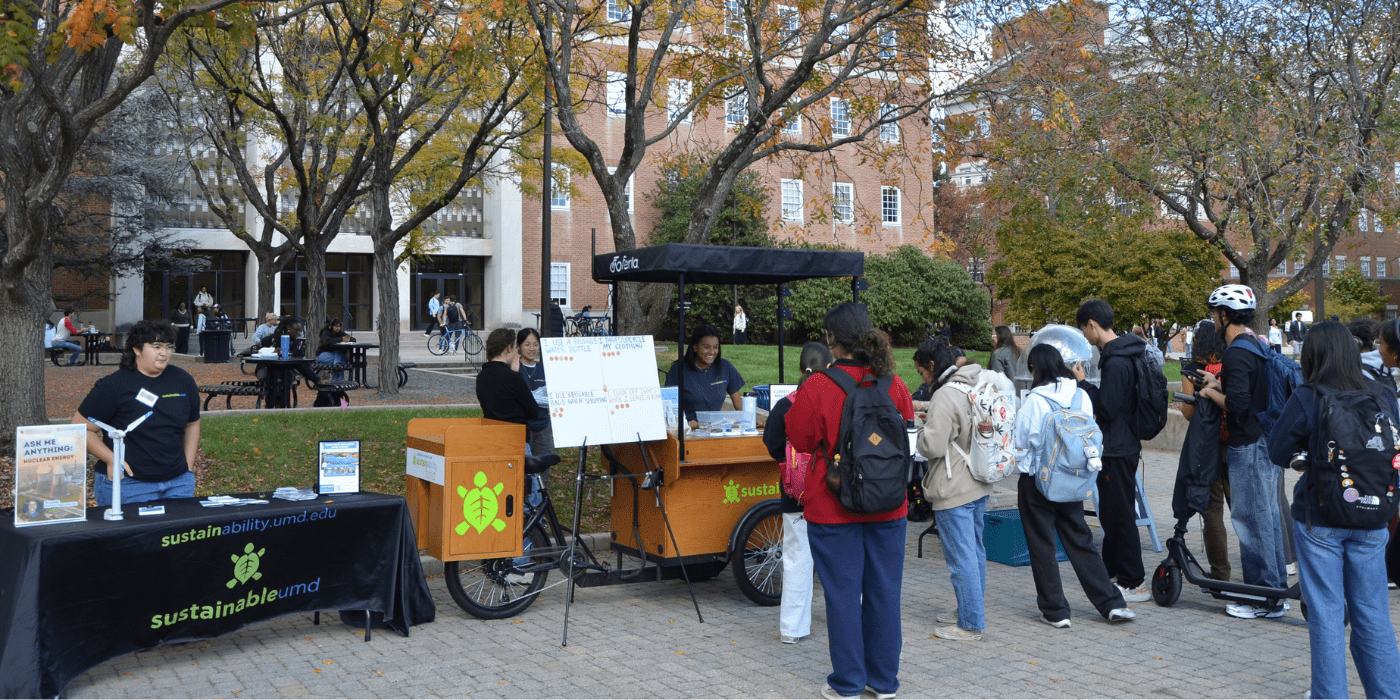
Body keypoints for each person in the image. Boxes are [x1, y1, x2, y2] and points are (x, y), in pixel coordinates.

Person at [785, 303, 913, 700]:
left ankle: (848, 683)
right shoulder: (895, 384)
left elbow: (801, 441)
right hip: (889, 504)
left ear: (831, 340)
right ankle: (884, 681)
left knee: (842, 595)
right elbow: (905, 433)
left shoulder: (818, 386)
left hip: (833, 503)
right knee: (885, 592)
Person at [1268, 321, 1400, 699]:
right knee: (1373, 615)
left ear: (1311, 355)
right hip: (1373, 516)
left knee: (1326, 617)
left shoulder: (1309, 395)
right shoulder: (1381, 392)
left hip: (1319, 517)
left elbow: (1278, 450)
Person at [1014, 343, 1135, 628]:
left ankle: (1056, 611)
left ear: (1035, 368)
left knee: (1042, 546)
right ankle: (1112, 603)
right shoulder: (1081, 396)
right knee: (1081, 542)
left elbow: (1022, 442)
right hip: (1073, 479)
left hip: (1038, 481)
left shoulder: (1035, 400)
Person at [1196, 284, 1290, 618]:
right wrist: (1219, 384)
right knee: (1269, 519)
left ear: (1224, 315)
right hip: (1267, 441)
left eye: (1214, 314)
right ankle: (1275, 590)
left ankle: (1260, 598)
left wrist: (1210, 394)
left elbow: (1237, 405)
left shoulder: (1236, 351)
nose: (1213, 320)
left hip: (1248, 445)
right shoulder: (1258, 344)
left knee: (1251, 522)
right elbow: (1252, 388)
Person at [914, 335, 993, 642]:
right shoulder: (974, 384)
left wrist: (922, 427)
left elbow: (931, 446)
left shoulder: (946, 395)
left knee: (961, 559)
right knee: (974, 552)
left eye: (922, 373)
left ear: (932, 366)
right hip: (978, 479)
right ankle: (970, 610)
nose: (922, 378)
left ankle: (970, 623)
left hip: (953, 484)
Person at [71, 320, 200, 506]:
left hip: (178, 484)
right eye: (156, 346)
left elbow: (193, 423)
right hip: (128, 484)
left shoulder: (183, 380)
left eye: (168, 346)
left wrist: (188, 467)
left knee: (175, 536)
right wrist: (111, 460)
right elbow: (81, 429)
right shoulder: (113, 386)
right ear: (137, 349)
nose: (164, 353)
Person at [1076, 299, 1150, 603]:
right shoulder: (1123, 353)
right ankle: (1111, 571)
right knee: (1112, 512)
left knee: (1119, 514)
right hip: (1123, 444)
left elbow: (1107, 407)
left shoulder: (1117, 360)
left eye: (1084, 330)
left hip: (1117, 447)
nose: (1085, 337)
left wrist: (1083, 384)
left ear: (1093, 324)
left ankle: (1134, 582)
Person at [761, 342, 832, 647]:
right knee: (837, 559)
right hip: (830, 492)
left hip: (796, 495)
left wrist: (790, 463)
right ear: (828, 367)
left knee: (796, 560)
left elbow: (772, 441)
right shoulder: (831, 399)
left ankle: (792, 627)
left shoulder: (786, 404)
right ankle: (848, 618)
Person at [664, 325, 745, 430]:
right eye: (706, 347)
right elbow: (668, 405)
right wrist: (686, 421)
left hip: (716, 429)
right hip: (687, 430)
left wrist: (752, 420)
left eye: (715, 347)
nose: (712, 352)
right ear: (695, 347)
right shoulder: (678, 369)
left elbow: (738, 403)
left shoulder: (725, 366)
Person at [516, 328, 554, 458]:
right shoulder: (515, 369)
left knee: (544, 464)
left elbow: (551, 397)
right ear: (519, 346)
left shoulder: (544, 370)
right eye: (527, 344)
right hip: (521, 427)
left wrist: (530, 396)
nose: (532, 348)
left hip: (543, 424)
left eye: (535, 344)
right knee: (522, 468)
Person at [988, 325, 1028, 393]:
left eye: (993, 336)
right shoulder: (1019, 350)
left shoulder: (998, 353)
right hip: (1022, 391)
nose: (992, 339)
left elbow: (997, 379)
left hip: (1007, 393)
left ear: (1001, 336)